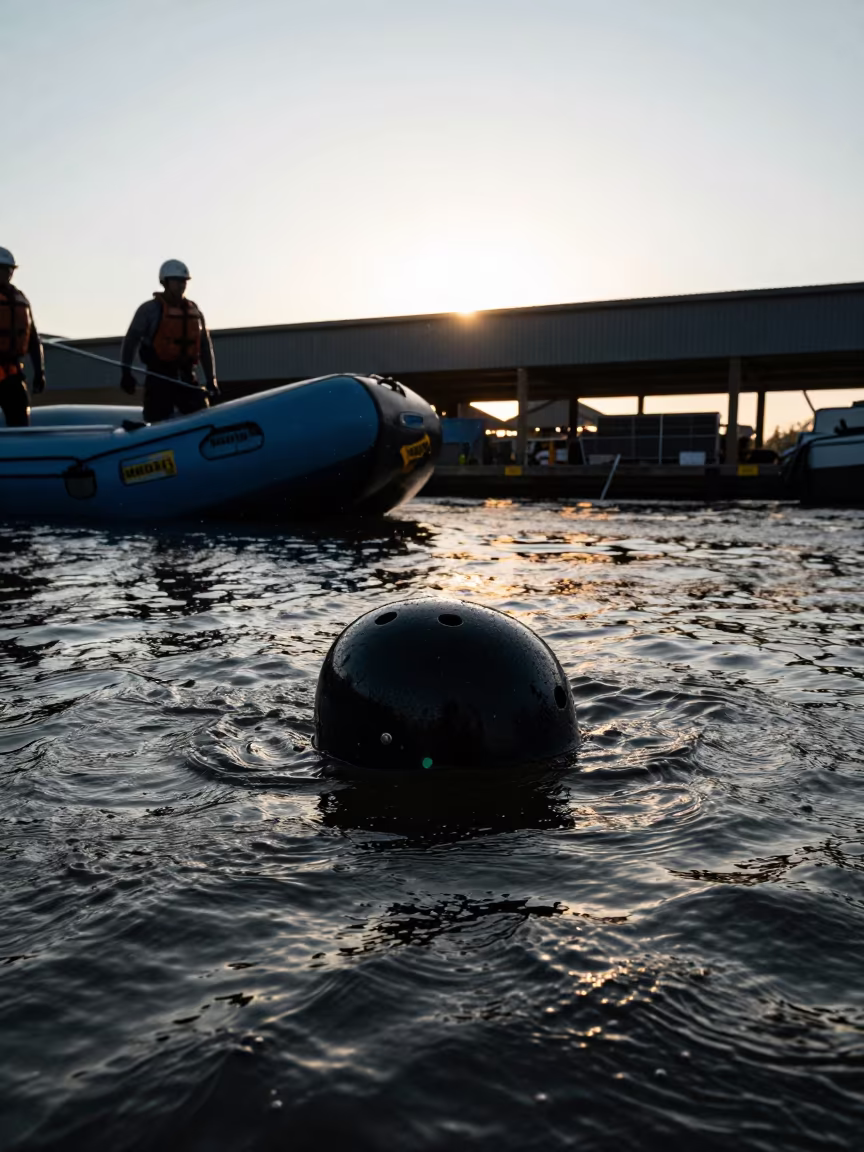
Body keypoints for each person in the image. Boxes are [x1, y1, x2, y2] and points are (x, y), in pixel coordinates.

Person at [120, 259, 219, 422]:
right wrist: (126, 372)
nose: (182, 285)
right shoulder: (149, 310)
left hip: (186, 377)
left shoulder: (194, 310)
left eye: (184, 281)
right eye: (177, 281)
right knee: (156, 416)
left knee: (202, 414)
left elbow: (204, 346)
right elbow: (131, 340)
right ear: (165, 282)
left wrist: (211, 380)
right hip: (159, 377)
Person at [0, 247, 46, 427]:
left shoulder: (20, 300)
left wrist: (39, 372)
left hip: (12, 373)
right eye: (2, 269)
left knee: (19, 420)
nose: (6, 274)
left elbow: (33, 339)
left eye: (8, 270)